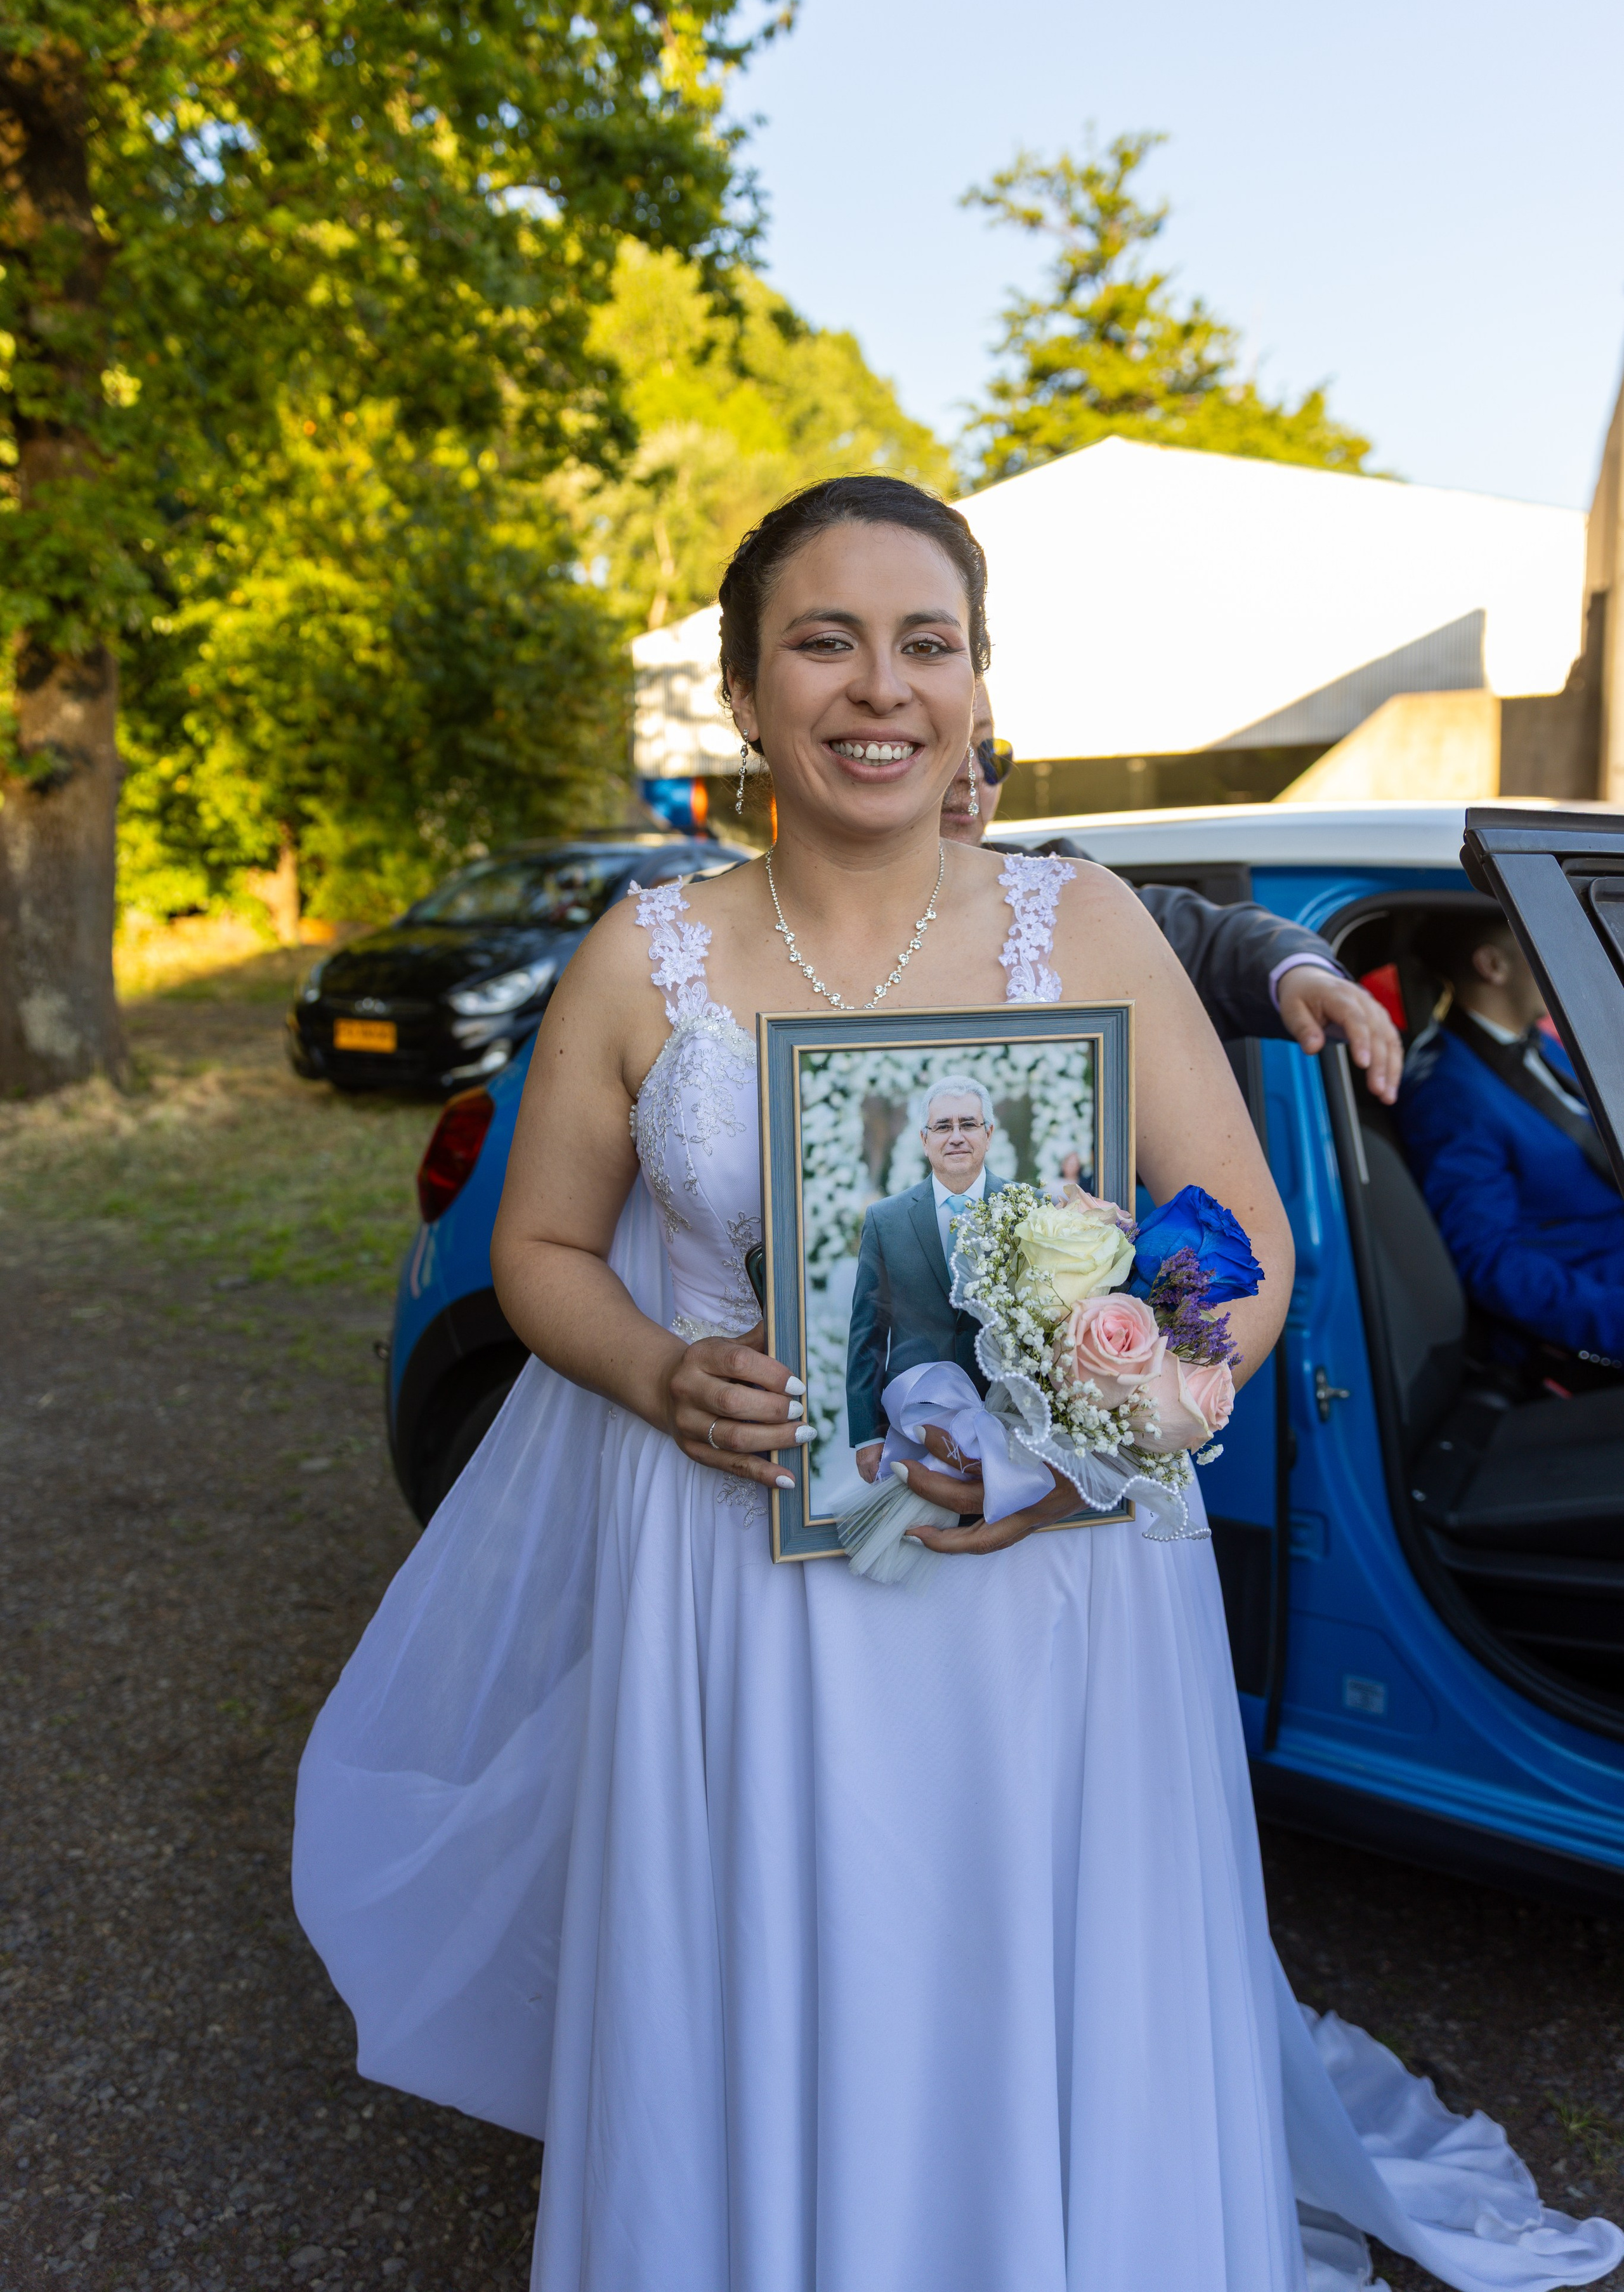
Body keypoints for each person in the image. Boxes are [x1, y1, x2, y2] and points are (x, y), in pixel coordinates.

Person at [291, 477, 1620, 2292]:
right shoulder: (639, 957)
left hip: (1053, 1585)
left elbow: (1239, 1225)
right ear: (749, 696)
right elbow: (536, 1256)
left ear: (981, 683)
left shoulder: (1085, 927)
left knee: (1033, 1966)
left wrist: (1107, 1433)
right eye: (821, 640)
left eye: (928, 642)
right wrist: (665, 1371)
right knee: (775, 1971)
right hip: (740, 1585)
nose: (879, 686)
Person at [941, 682, 1404, 1103]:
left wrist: (1302, 975)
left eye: (988, 750)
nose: (974, 776)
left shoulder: (1054, 885)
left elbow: (1211, 940)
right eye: (942, 747)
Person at [1396, 907, 1624, 1366]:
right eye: (1542, 942)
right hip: (1596, 1295)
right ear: (1492, 965)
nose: (1562, 957)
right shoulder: (1449, 1091)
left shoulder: (1543, 1048)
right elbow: (1488, 1258)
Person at [846, 1077, 1003, 1481]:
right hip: (913, 1420)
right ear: (924, 1138)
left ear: (988, 1134)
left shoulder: (1030, 1208)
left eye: (968, 1124)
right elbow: (868, 1330)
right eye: (943, 1126)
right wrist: (866, 1435)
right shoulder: (885, 1219)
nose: (956, 1137)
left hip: (1009, 1415)